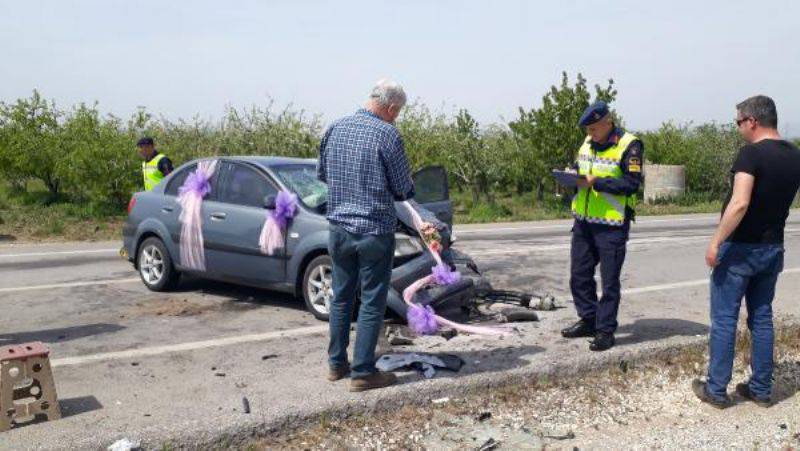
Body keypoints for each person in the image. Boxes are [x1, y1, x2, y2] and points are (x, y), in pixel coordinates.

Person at [693, 95, 800, 408]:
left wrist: (715, 241)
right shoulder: (794, 156)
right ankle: (761, 389)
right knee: (762, 317)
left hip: (741, 249)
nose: (738, 128)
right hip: (773, 248)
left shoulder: (750, 154)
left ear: (753, 121)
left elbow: (740, 203)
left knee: (725, 319)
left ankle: (716, 390)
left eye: (739, 122)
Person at [317, 79, 415, 392]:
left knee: (341, 298)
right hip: (374, 231)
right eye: (396, 112)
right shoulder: (388, 134)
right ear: (390, 108)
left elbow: (322, 176)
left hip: (339, 230)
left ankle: (336, 364)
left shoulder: (335, 128)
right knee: (372, 302)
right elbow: (403, 189)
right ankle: (363, 371)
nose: (395, 118)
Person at [560, 101, 644, 351]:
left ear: (608, 122)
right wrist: (571, 174)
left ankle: (606, 330)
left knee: (609, 282)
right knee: (579, 275)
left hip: (611, 224)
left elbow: (631, 184)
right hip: (584, 221)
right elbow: (581, 167)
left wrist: (598, 183)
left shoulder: (630, 144)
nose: (590, 134)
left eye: (594, 129)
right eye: (588, 130)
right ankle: (588, 319)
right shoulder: (587, 142)